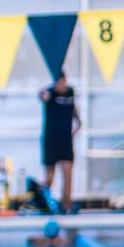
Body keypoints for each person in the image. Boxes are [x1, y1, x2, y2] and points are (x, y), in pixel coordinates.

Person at [39, 72, 79, 213]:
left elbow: (74, 109)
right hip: (51, 139)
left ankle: (66, 205)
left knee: (68, 173)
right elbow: (43, 96)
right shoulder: (50, 93)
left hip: (66, 140)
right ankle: (43, 202)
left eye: (63, 83)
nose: (62, 86)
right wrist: (44, 95)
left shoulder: (70, 92)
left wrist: (78, 123)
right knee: (50, 176)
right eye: (59, 83)